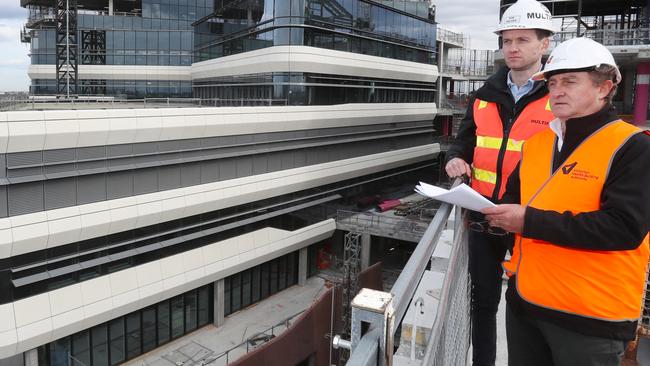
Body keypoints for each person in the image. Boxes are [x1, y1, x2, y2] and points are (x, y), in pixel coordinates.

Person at [483, 37, 650, 366]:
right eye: (553, 82)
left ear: (604, 88)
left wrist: (528, 221)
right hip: (526, 306)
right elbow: (514, 201)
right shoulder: (537, 144)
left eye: (570, 81)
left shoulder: (633, 147)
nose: (557, 91)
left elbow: (624, 228)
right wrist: (492, 216)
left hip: (591, 321)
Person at [444, 0, 555, 364]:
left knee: (529, 306)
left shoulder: (559, 97)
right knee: (483, 303)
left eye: (523, 39)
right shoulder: (483, 96)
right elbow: (463, 140)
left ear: (544, 45)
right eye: (507, 40)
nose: (513, 48)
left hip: (530, 220)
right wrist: (455, 158)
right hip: (483, 215)